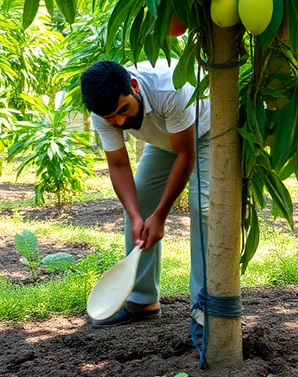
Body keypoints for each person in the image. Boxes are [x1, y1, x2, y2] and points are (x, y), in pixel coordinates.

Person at [80, 60, 210, 328]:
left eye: (123, 110)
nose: (120, 122)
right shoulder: (102, 113)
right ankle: (143, 301)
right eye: (110, 119)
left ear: (135, 86)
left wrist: (160, 216)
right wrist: (136, 214)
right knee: (137, 206)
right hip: (163, 141)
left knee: (204, 209)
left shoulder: (169, 87)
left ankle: (205, 305)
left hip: (206, 133)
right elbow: (117, 164)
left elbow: (185, 155)